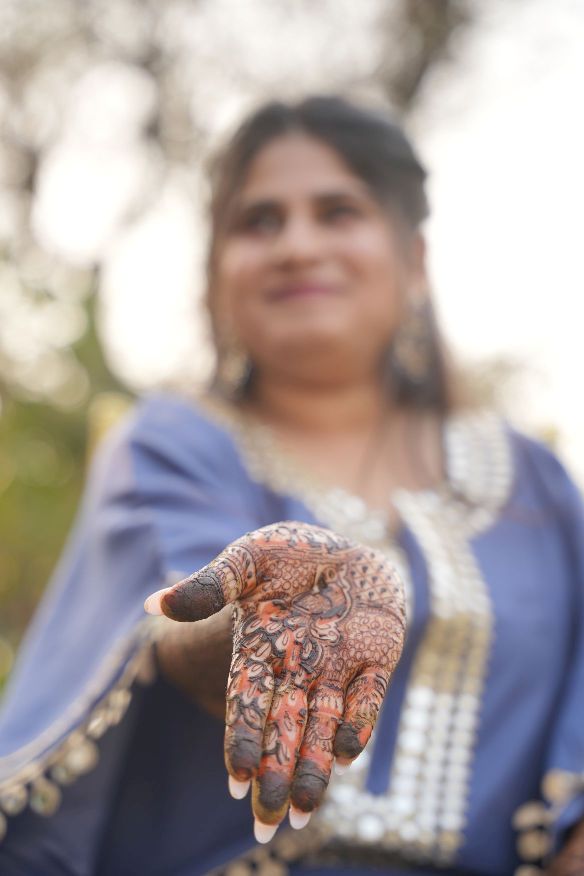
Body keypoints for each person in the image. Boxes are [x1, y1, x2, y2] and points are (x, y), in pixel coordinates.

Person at [0, 95, 583, 876]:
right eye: (259, 222)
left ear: (413, 260)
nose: (298, 246)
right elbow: (163, 621)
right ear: (219, 274)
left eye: (338, 212)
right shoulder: (173, 443)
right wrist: (265, 613)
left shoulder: (535, 483)